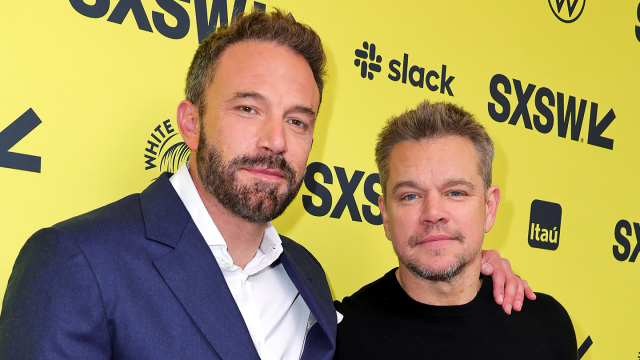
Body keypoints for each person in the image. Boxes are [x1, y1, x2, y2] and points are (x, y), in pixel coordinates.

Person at [1, 10, 529, 360]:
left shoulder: (308, 280)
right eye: (249, 108)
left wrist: (468, 267)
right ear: (191, 121)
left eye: (298, 120)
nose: (276, 140)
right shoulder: (76, 262)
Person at [334, 100, 577, 360]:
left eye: (455, 192)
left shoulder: (547, 328)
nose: (433, 213)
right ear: (385, 214)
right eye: (410, 196)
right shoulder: (339, 336)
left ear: (490, 207)